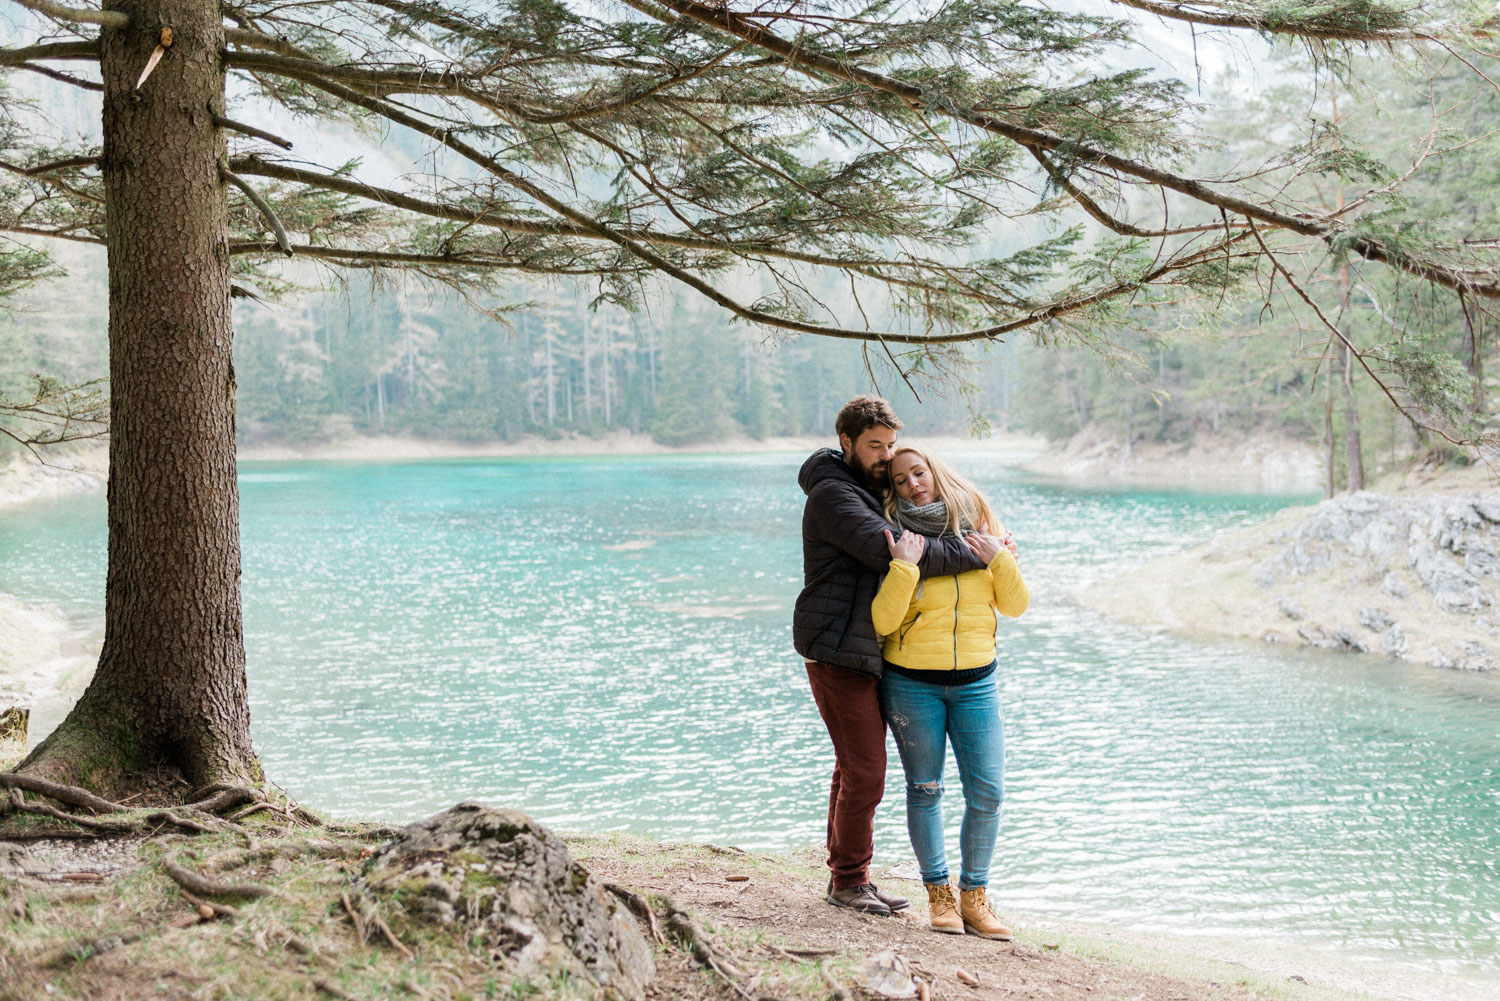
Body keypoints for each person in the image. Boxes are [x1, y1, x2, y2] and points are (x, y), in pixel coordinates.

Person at [794, 396, 986, 916]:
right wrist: (979, 550)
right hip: (838, 648)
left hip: (867, 647)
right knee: (867, 770)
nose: (885, 456)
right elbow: (896, 551)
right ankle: (849, 883)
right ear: (847, 444)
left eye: (891, 445)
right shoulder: (834, 497)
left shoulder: (862, 485)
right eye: (874, 446)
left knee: (852, 766)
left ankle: (848, 875)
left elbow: (916, 537)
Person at [872, 445, 1029, 940]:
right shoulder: (897, 536)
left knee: (989, 792)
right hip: (911, 683)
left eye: (918, 473)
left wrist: (1000, 560)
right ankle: (938, 897)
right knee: (925, 789)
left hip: (977, 683)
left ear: (935, 473)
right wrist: (903, 567)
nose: (913, 484)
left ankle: (975, 899)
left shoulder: (980, 522)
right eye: (900, 480)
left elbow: (1017, 605)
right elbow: (882, 620)